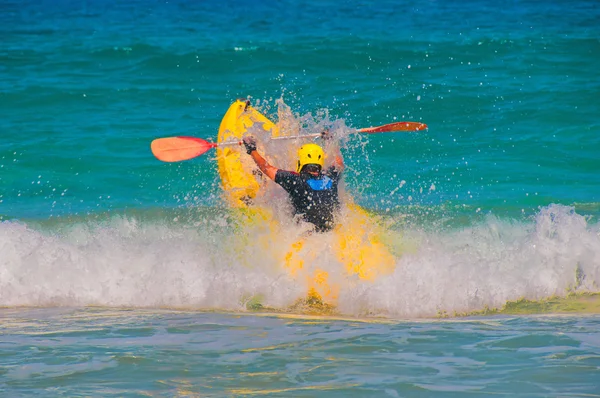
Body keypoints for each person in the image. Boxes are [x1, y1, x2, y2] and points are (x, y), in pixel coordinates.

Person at [242, 134, 344, 233]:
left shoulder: (295, 180)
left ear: (301, 161)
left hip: (305, 233)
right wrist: (330, 140)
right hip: (330, 230)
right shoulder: (331, 176)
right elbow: (339, 163)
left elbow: (266, 168)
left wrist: (252, 149)